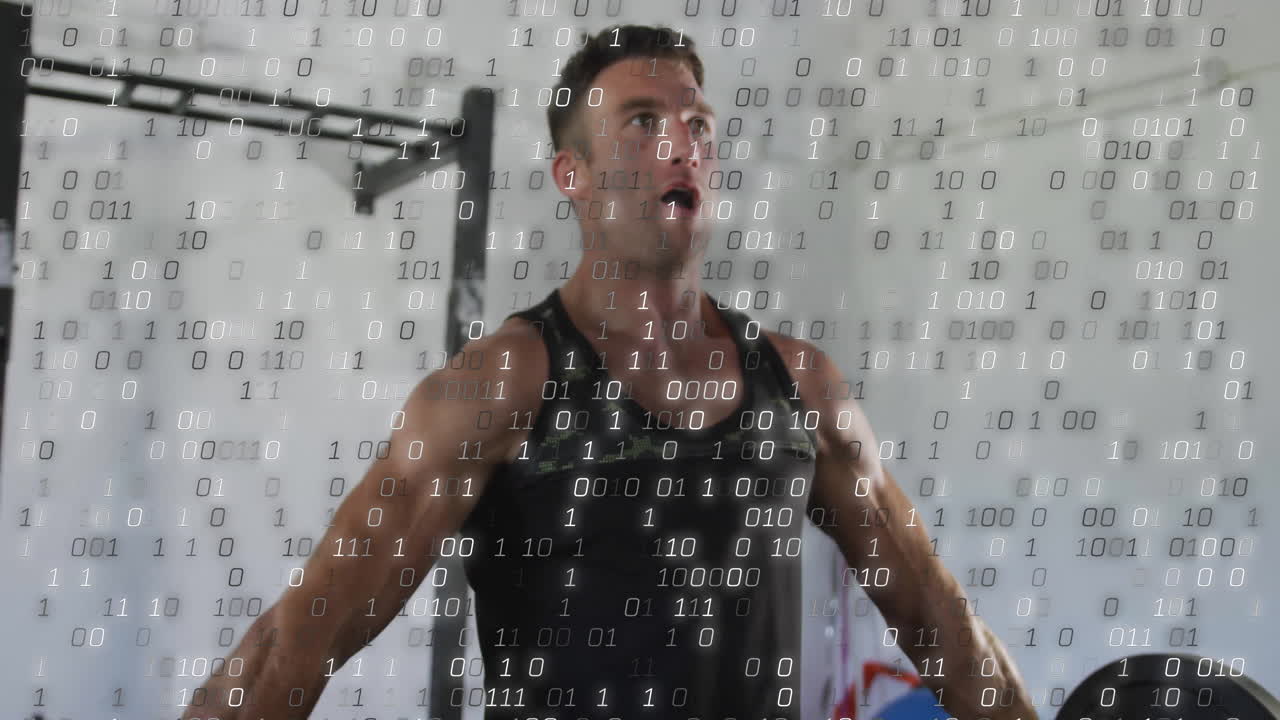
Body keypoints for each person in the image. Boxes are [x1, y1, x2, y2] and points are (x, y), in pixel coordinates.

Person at [182, 24, 1038, 720]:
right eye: (642, 123)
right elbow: (300, 639)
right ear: (575, 177)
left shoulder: (802, 386)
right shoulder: (501, 385)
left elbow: (940, 620)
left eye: (697, 125)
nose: (681, 144)